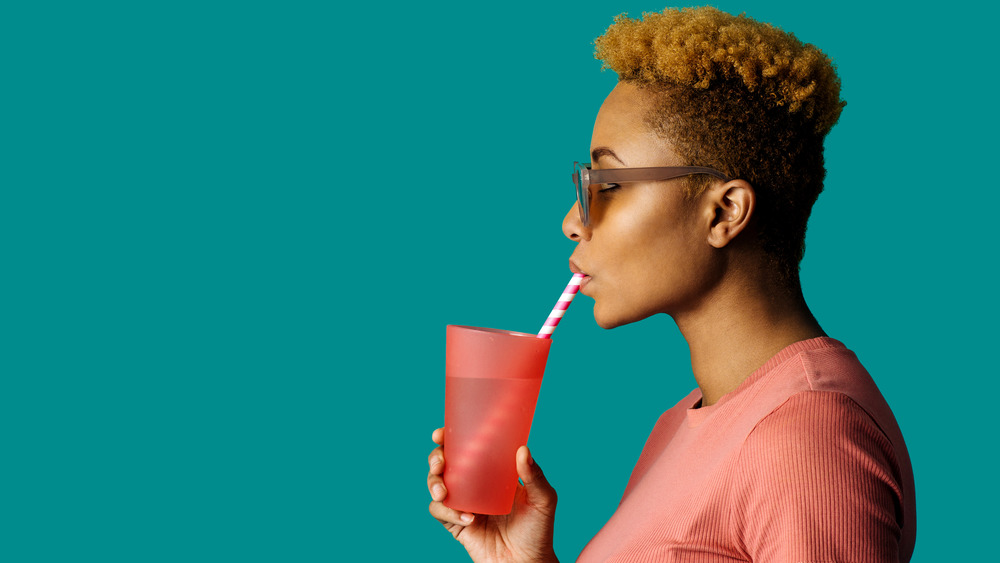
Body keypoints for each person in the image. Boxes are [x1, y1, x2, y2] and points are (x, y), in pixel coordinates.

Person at [426, 6, 916, 562]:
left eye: (607, 183)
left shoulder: (808, 438)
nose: (572, 220)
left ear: (723, 212)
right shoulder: (685, 424)